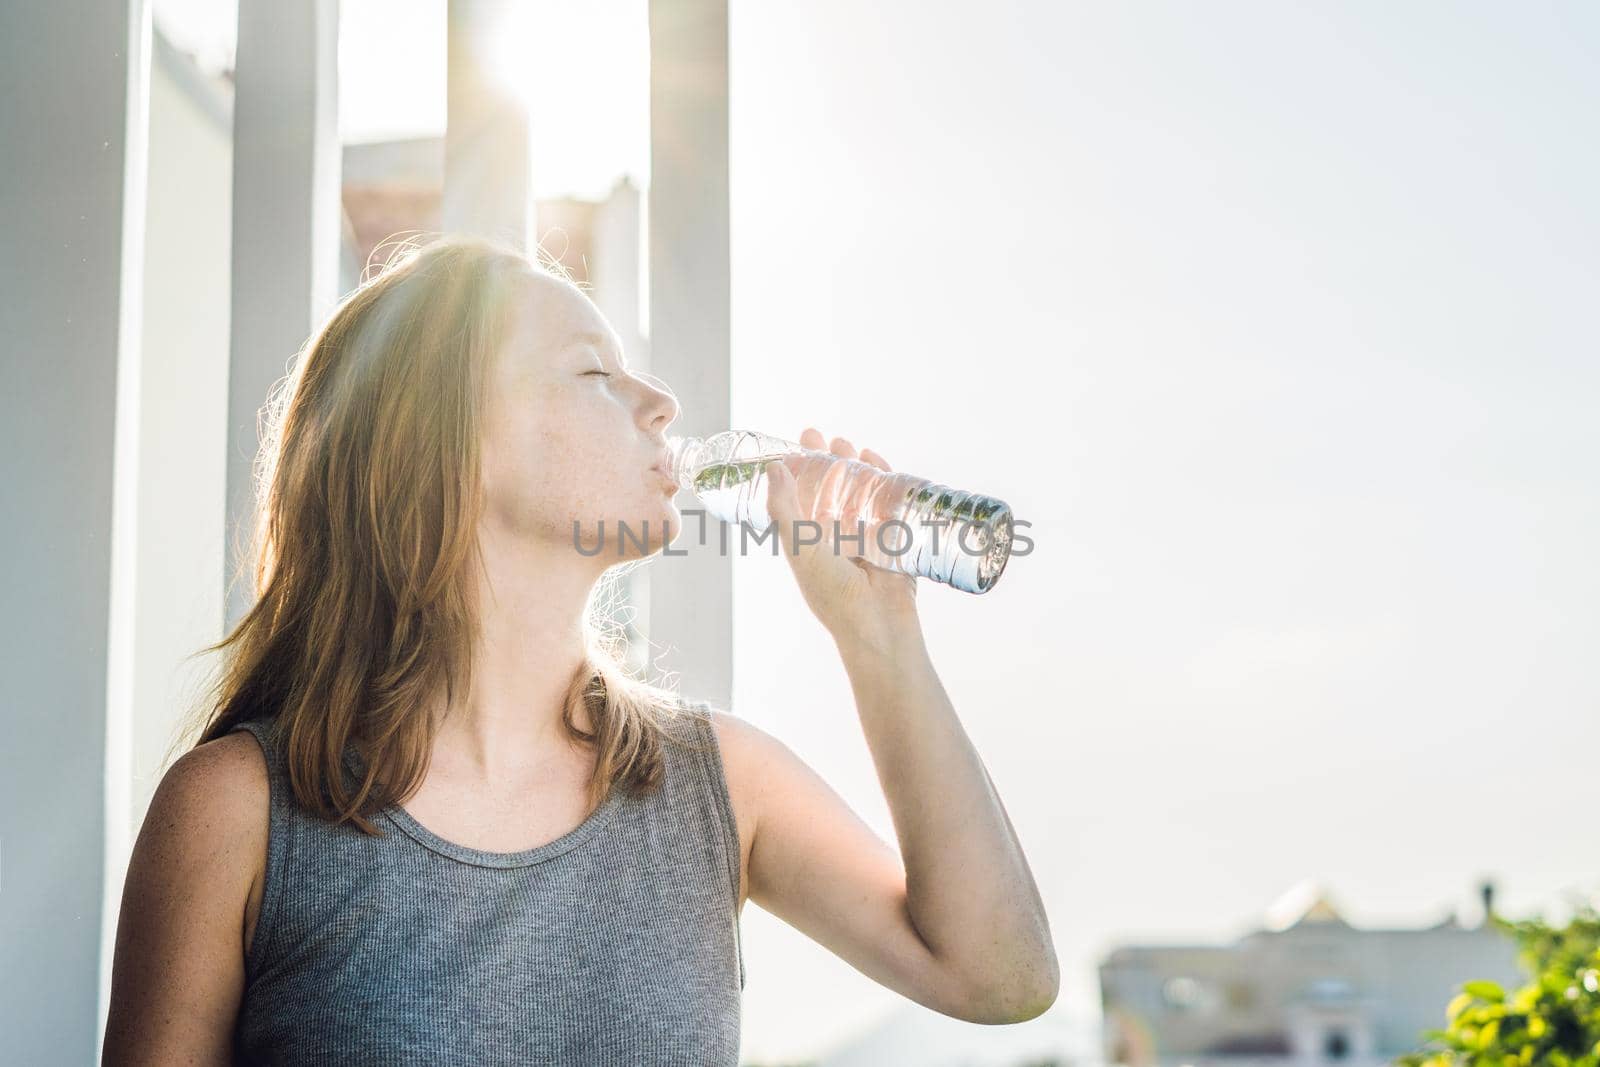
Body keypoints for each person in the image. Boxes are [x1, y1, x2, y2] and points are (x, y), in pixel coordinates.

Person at [100, 235, 1057, 1065]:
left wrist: (877, 636)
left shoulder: (713, 784)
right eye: (595, 372)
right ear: (448, 440)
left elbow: (999, 975)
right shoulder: (238, 811)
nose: (663, 403)